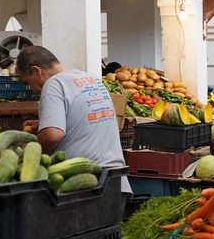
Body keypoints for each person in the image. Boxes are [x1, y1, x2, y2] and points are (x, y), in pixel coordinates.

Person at [16, 45, 131, 198]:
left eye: (27, 81)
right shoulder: (91, 79)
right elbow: (85, 120)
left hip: (84, 184)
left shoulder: (54, 84)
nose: (31, 88)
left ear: (36, 71)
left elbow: (52, 136)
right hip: (114, 180)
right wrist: (44, 124)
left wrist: (26, 150)